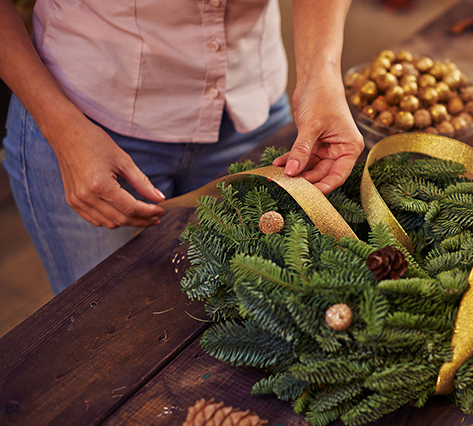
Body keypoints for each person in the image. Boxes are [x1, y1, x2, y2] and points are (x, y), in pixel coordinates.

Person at [0, 0, 364, 295]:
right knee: (100, 323)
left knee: (255, 304)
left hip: (249, 109)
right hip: (84, 125)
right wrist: (63, 129)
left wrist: (322, 75)